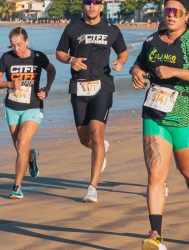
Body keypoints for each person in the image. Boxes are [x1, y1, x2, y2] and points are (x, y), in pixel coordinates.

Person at [130, 0, 189, 249]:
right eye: (168, 11)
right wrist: (136, 73)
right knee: (155, 174)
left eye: (177, 12)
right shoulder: (152, 40)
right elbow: (139, 63)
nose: (171, 16)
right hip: (154, 112)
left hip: (185, 112)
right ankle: (155, 234)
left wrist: (173, 72)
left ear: (186, 16)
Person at [56, 0, 128, 203]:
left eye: (96, 3)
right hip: (79, 86)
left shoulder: (111, 29)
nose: (92, 6)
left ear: (102, 7)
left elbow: (123, 53)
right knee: (84, 138)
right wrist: (71, 60)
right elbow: (59, 52)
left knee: (96, 133)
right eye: (88, 3)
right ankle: (101, 147)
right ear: (83, 6)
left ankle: (92, 187)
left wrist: (119, 63)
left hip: (102, 86)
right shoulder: (72, 28)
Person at [0, 27, 56, 199]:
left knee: (21, 144)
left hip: (33, 106)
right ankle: (31, 157)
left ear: (26, 41)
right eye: (12, 45)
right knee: (20, 148)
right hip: (12, 107)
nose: (16, 49)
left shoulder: (38, 57)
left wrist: (47, 89)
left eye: (19, 44)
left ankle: (17, 187)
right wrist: (9, 84)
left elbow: (52, 70)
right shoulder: (7, 58)